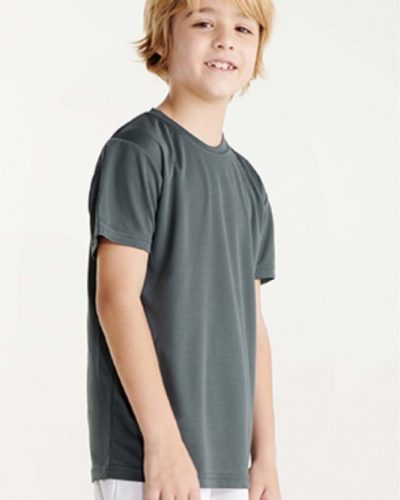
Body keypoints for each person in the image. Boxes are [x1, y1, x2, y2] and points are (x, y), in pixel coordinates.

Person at [86, 0, 282, 499]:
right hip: (148, 459)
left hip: (228, 466)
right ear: (163, 39)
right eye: (203, 22)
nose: (225, 39)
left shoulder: (249, 184)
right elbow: (116, 299)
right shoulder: (139, 151)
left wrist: (265, 456)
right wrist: (164, 443)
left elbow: (253, 327)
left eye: (243, 28)